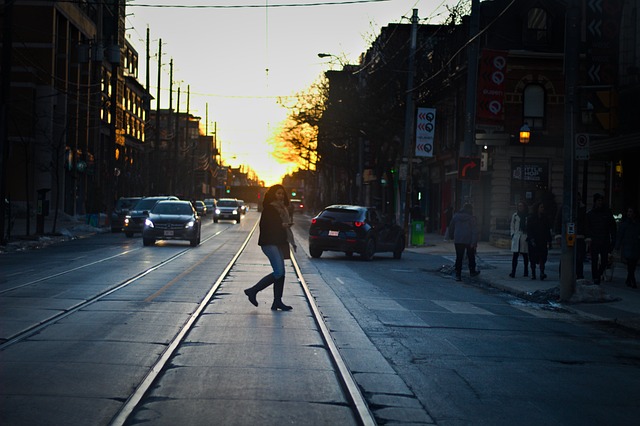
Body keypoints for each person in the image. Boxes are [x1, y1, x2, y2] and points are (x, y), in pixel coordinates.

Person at [244, 184, 297, 310]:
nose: (281, 196)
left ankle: (277, 301)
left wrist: (284, 226)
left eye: (282, 193)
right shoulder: (269, 209)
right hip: (269, 243)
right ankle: (253, 291)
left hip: (278, 242)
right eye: (278, 193)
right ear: (273, 194)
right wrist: (282, 225)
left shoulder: (283, 208)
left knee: (281, 273)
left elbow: (279, 225)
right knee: (278, 272)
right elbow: (269, 226)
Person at [585, 193, 617, 284]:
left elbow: (612, 226)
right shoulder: (590, 214)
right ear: (595, 202)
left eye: (601, 200)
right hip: (595, 240)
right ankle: (595, 277)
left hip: (604, 240)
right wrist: (589, 237)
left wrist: (613, 239)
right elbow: (587, 227)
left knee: (604, 261)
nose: (600, 202)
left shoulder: (607, 213)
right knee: (594, 261)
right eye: (598, 200)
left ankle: (598, 274)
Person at [447, 203, 480, 281]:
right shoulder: (471, 218)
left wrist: (452, 236)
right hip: (469, 239)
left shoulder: (456, 216)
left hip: (458, 239)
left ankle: (458, 274)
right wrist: (474, 242)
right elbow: (474, 231)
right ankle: (472, 271)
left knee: (459, 257)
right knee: (471, 256)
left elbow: (451, 227)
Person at [615, 206, 640, 288]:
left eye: (631, 212)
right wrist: (617, 246)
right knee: (630, 264)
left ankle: (629, 279)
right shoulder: (624, 224)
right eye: (628, 212)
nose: (629, 213)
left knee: (633, 265)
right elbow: (620, 235)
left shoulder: (637, 224)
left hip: (636, 246)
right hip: (628, 246)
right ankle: (632, 280)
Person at [526, 202, 552, 280]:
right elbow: (529, 230)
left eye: (543, 207)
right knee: (533, 258)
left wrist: (549, 240)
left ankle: (542, 272)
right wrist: (531, 239)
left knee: (542, 257)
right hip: (533, 241)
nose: (542, 209)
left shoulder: (545, 218)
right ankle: (533, 273)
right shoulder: (531, 218)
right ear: (537, 208)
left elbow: (547, 230)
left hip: (542, 240)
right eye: (541, 207)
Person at [509, 201, 529, 278]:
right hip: (517, 236)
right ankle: (513, 272)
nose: (520, 207)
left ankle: (526, 271)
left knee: (525, 255)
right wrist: (513, 234)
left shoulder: (527, 216)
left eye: (522, 206)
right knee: (515, 255)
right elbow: (512, 226)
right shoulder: (515, 215)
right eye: (519, 206)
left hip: (524, 236)